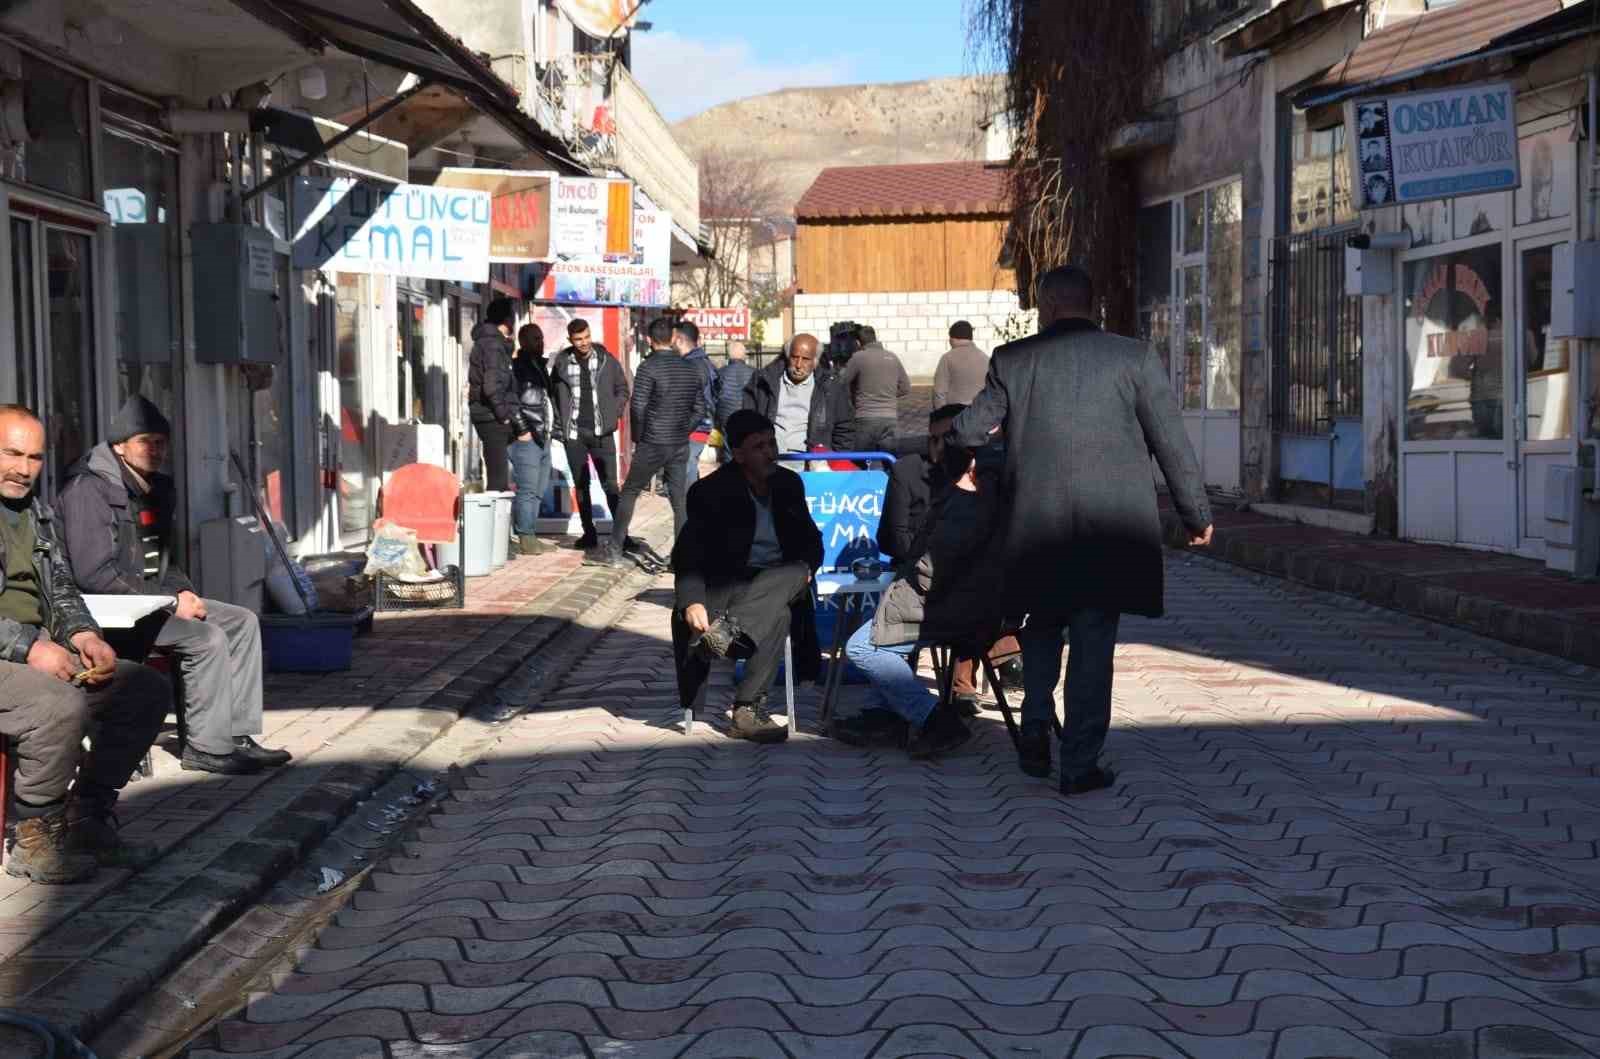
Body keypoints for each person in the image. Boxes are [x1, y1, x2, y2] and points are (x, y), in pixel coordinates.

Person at [950, 264, 1213, 796]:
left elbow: (967, 428)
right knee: (1093, 645)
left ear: (1045, 306)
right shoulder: (1133, 358)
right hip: (1109, 531)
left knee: (1040, 630)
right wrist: (1196, 515)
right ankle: (1079, 764)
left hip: (1035, 527)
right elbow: (1171, 443)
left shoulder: (1013, 360)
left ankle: (1034, 730)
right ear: (1092, 305)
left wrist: (976, 453)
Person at [58, 396, 291, 776]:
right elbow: (94, 574)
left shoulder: (156, 488)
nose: (156, 450)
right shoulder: (89, 490)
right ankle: (205, 747)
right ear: (119, 445)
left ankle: (236, 735)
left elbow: (165, 556)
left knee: (242, 621)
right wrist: (168, 602)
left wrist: (182, 589)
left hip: (151, 601)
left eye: (162, 443)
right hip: (110, 610)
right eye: (145, 441)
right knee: (207, 637)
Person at [0, 405, 170, 882]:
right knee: (57, 704)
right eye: (12, 453)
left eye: (34, 457)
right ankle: (34, 835)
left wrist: (83, 633)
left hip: (32, 646)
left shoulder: (34, 511)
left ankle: (86, 817)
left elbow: (59, 586)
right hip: (10, 652)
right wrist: (29, 647)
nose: (23, 468)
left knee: (141, 689)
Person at [838, 420, 1015, 759]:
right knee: (887, 628)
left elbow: (933, 571)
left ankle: (934, 718)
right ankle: (888, 715)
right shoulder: (984, 495)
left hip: (951, 607)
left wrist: (908, 578)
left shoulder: (968, 502)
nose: (931, 450)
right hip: (959, 602)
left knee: (862, 647)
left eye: (940, 443)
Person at [671, 411, 823, 744]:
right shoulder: (710, 492)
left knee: (796, 571)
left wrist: (808, 567)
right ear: (738, 454)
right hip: (731, 589)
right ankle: (746, 711)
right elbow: (688, 553)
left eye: (772, 444)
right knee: (778, 613)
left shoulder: (788, 484)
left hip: (779, 579)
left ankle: (728, 633)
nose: (770, 453)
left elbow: (812, 541)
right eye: (759, 447)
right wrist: (692, 600)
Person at [878, 404, 1021, 707]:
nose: (939, 447)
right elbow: (892, 537)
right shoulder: (909, 471)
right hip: (920, 575)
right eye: (933, 439)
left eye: (947, 439)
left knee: (979, 590)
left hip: (966, 582)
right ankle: (998, 658)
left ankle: (965, 684)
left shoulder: (983, 480)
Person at [592, 317, 706, 568]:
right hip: (679, 443)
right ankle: (681, 558)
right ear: (674, 337)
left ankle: (614, 550)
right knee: (679, 500)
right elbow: (700, 408)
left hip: (653, 441)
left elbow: (639, 406)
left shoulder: (648, 368)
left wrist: (639, 438)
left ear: (649, 340)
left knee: (630, 491)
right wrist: (683, 429)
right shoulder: (691, 368)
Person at [550, 319, 628, 551]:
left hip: (602, 433)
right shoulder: (562, 363)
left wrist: (614, 412)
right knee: (580, 485)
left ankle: (622, 535)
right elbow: (554, 397)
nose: (583, 343)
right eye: (578, 339)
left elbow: (622, 388)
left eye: (586, 337)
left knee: (611, 485)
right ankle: (589, 533)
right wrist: (560, 427)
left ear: (590, 334)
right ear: (570, 340)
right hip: (574, 434)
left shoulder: (606, 360)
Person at [742, 333, 854, 457]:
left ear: (815, 362)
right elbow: (747, 422)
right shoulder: (763, 381)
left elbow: (844, 430)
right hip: (768, 463)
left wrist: (835, 463)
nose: (799, 365)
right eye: (795, 357)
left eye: (805, 359)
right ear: (787, 356)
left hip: (813, 465)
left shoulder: (831, 387)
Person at [466, 297, 522, 493]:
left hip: (489, 415)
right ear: (508, 320)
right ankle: (494, 522)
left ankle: (499, 521)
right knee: (498, 483)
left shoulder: (491, 343)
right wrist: (505, 416)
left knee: (499, 476)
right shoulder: (492, 345)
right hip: (492, 417)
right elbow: (491, 386)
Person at [509, 325, 555, 556]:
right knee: (527, 489)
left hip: (542, 435)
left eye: (541, 337)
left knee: (538, 489)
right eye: (535, 338)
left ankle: (530, 534)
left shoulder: (539, 365)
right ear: (522, 341)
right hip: (527, 437)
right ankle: (525, 537)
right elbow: (511, 401)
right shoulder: (517, 367)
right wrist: (522, 429)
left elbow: (545, 399)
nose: (540, 342)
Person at [837, 324, 909, 454]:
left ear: (858, 342)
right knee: (890, 460)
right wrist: (888, 395)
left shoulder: (858, 357)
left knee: (861, 460)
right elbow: (905, 387)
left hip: (865, 417)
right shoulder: (892, 357)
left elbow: (841, 381)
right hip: (890, 418)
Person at [672, 320, 717, 485]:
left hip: (695, 426)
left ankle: (688, 505)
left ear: (679, 340)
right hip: (701, 423)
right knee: (689, 465)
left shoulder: (690, 365)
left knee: (686, 467)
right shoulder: (703, 362)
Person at [713, 341, 756, 460]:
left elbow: (715, 398)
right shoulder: (754, 373)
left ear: (728, 356)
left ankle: (731, 476)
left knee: (729, 451)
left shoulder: (720, 373)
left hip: (726, 417)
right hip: (749, 417)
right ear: (744, 355)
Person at [932, 321, 989, 408]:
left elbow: (939, 392)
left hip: (954, 414)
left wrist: (940, 415)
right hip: (980, 412)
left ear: (952, 338)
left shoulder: (947, 358)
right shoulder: (985, 358)